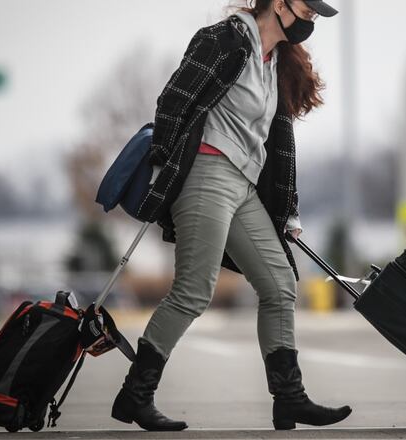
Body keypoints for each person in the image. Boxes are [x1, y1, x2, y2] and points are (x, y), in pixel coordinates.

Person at [110, 0, 352, 432]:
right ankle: (135, 395)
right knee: (193, 291)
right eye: (308, 9)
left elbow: (280, 147)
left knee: (280, 282)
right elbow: (173, 101)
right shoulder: (223, 41)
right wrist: (169, 167)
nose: (312, 19)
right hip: (205, 171)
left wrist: (288, 208)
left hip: (242, 183)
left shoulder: (274, 62)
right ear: (279, 4)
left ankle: (289, 399)